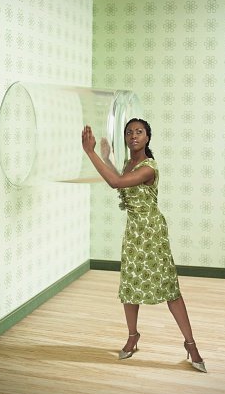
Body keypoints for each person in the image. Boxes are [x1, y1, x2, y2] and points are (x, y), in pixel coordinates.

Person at [81, 118, 206, 373]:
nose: (133, 136)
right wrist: (106, 157)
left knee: (170, 289)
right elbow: (118, 176)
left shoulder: (149, 167)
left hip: (152, 232)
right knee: (130, 285)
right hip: (134, 233)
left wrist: (90, 152)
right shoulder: (128, 163)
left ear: (148, 137)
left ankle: (191, 345)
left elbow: (116, 182)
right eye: (129, 132)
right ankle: (132, 336)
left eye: (139, 132)